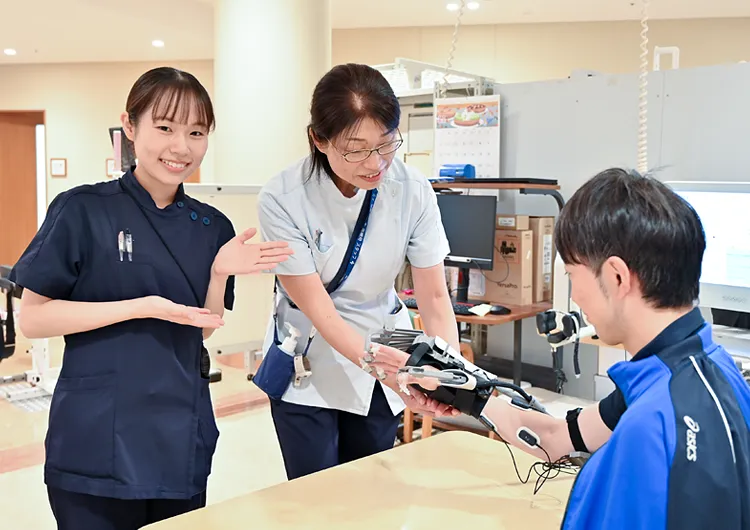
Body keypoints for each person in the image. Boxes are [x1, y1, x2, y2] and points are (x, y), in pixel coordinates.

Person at [372, 168, 750, 529]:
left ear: (616, 276)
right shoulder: (705, 374)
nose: (575, 296)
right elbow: (554, 439)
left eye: (572, 275)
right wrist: (460, 389)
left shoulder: (650, 428)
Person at [9, 67, 293, 530]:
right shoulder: (82, 209)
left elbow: (202, 327)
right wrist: (142, 307)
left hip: (177, 433)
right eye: (165, 127)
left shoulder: (212, 227)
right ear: (129, 126)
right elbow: (34, 319)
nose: (181, 147)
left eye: (196, 132)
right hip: (93, 436)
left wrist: (219, 272)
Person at [255, 63, 459, 481]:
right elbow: (319, 309)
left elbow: (435, 297)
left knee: (373, 487)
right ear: (319, 138)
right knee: (316, 496)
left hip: (382, 343)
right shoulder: (284, 197)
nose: (375, 162)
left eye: (386, 144)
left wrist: (445, 371)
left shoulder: (413, 189)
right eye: (356, 148)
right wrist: (387, 366)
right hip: (309, 357)